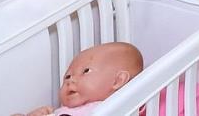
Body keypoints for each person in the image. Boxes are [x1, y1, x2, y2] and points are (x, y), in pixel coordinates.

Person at [15, 42, 143, 116]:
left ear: (118, 81)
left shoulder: (120, 109)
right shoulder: (60, 110)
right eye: (67, 76)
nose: (70, 80)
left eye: (86, 71)